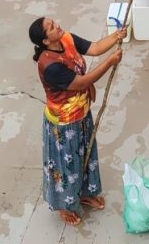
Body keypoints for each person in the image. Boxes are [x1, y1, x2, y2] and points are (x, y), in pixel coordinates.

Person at [28, 16, 126, 228]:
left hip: (82, 113)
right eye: (52, 27)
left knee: (87, 155)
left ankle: (84, 193)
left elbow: (95, 47)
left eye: (54, 21)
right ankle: (64, 204)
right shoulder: (50, 66)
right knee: (67, 165)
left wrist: (117, 36)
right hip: (65, 123)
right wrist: (110, 62)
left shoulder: (66, 39)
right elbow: (81, 82)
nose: (57, 24)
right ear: (45, 41)